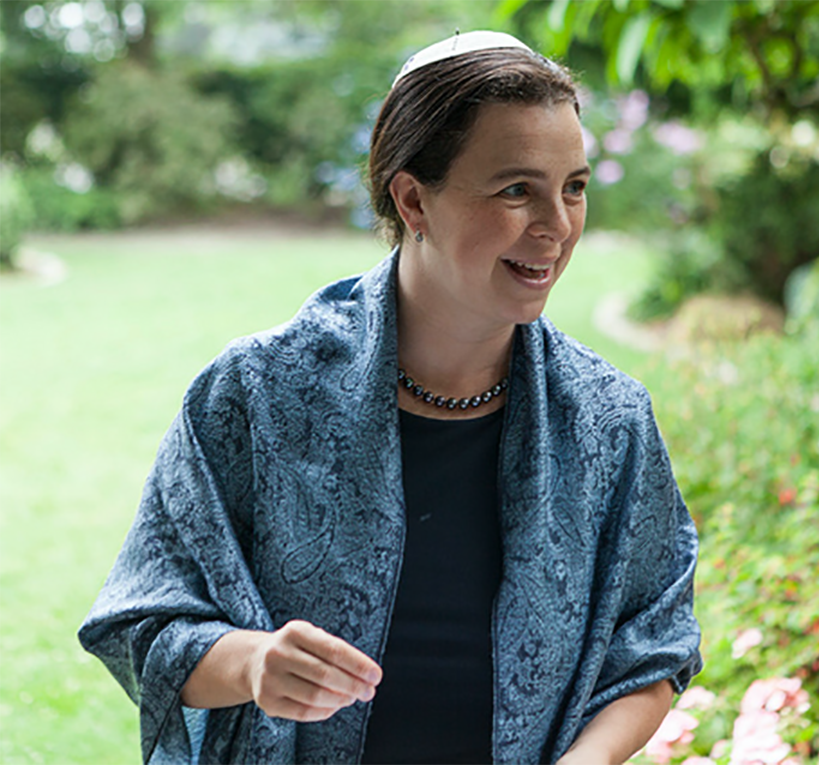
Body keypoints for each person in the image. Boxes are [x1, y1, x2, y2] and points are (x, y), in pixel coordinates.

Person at [79, 30, 702, 765]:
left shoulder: (608, 419)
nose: (558, 226)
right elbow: (144, 621)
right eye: (516, 190)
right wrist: (252, 663)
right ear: (413, 199)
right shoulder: (256, 392)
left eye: (574, 187)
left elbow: (650, 645)